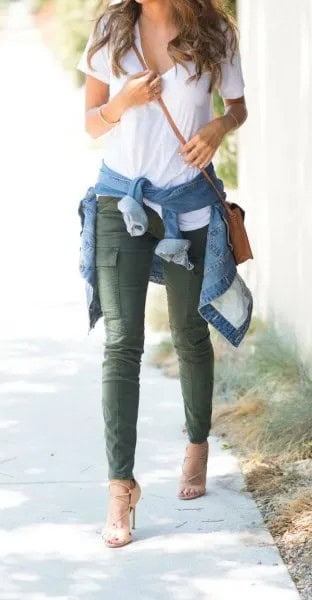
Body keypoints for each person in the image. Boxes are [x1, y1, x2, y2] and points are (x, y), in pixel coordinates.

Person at [76, 0, 248, 548]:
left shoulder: (215, 30)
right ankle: (121, 488)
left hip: (190, 206)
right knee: (122, 342)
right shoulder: (110, 30)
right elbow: (89, 124)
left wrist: (219, 125)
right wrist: (123, 101)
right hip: (119, 200)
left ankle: (196, 443)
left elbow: (238, 106)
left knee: (190, 333)